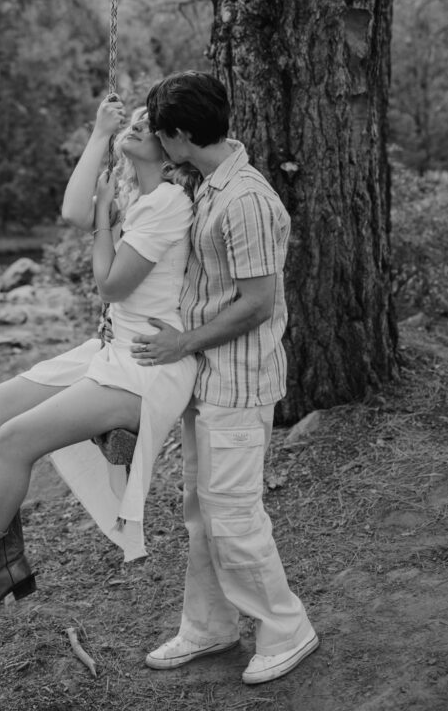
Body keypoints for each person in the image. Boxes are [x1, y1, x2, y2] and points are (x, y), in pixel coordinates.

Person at [0, 95, 200, 634]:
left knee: (14, 439)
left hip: (149, 363)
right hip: (112, 349)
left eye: (149, 124)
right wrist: (101, 135)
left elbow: (111, 283)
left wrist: (105, 220)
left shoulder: (169, 200)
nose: (138, 122)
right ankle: (6, 563)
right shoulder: (137, 190)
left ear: (171, 150)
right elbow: (73, 213)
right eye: (137, 117)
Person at [131, 71, 319, 686]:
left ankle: (287, 627)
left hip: (238, 384)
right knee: (200, 512)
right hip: (205, 379)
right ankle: (210, 625)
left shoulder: (247, 200)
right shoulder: (208, 183)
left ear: (183, 135)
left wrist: (181, 342)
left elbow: (258, 302)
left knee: (234, 513)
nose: (160, 143)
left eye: (164, 134)